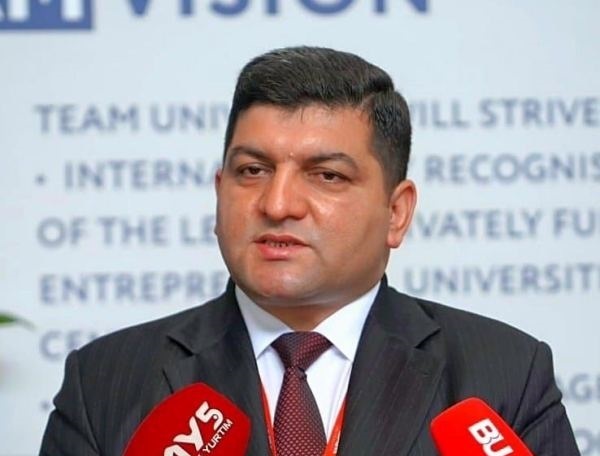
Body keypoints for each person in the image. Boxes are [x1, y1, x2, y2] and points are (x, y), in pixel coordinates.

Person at [40, 46, 579, 455]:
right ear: (219, 190)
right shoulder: (105, 380)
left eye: (326, 175)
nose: (278, 204)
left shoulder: (505, 375)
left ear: (396, 213)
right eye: (253, 170)